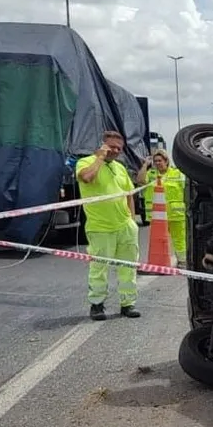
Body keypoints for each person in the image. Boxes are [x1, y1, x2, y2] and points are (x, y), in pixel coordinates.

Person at [76, 130, 141, 321]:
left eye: (118, 148)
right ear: (102, 145)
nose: (115, 151)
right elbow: (87, 177)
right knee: (99, 268)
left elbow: (129, 193)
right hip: (100, 227)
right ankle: (97, 305)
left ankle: (127, 304)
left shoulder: (120, 167)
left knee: (128, 267)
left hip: (125, 227)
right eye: (111, 147)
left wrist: (132, 220)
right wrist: (100, 158)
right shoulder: (86, 162)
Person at [137, 149, 188, 266]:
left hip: (175, 214)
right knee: (158, 240)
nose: (157, 163)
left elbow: (186, 191)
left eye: (160, 160)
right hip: (157, 216)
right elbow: (140, 181)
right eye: (155, 161)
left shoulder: (177, 173)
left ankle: (182, 261)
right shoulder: (151, 175)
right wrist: (145, 165)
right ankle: (160, 262)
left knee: (179, 239)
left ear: (166, 161)